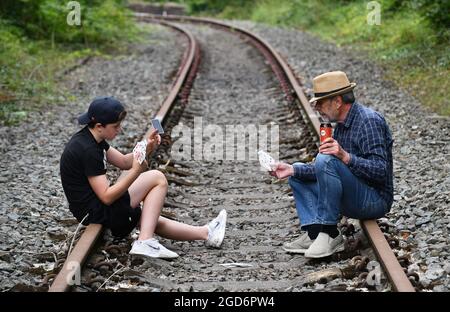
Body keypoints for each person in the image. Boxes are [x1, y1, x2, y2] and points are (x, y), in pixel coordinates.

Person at [60, 96, 227, 259]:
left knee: (149, 217)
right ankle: (145, 241)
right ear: (99, 126)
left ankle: (207, 233)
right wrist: (136, 171)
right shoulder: (88, 150)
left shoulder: (92, 139)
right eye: (116, 126)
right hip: (96, 212)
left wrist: (147, 147)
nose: (119, 130)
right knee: (157, 178)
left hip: (93, 208)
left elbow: (124, 161)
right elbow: (106, 197)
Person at [270, 71, 393, 258]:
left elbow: (381, 171)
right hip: (353, 195)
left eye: (320, 102)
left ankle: (329, 233)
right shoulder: (342, 126)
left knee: (325, 159)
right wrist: (291, 169)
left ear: (337, 101)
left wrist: (345, 156)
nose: (317, 107)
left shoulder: (369, 122)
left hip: (373, 199)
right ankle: (314, 233)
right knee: (298, 174)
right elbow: (322, 169)